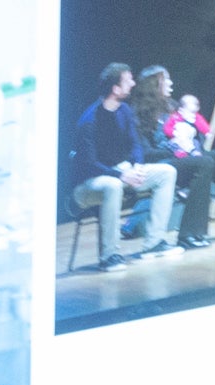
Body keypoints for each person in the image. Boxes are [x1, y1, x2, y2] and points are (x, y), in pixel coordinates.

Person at [71, 62, 178, 270]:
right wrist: (121, 175)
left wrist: (137, 166)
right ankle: (108, 256)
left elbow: (135, 144)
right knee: (113, 185)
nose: (133, 83)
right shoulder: (90, 120)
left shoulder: (125, 111)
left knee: (166, 172)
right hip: (88, 185)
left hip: (121, 173)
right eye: (128, 80)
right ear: (116, 89)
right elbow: (89, 164)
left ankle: (153, 243)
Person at [132, 67, 215, 248]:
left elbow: (193, 129)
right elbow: (145, 152)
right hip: (164, 160)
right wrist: (174, 151)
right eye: (166, 79)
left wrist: (194, 137)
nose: (171, 83)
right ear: (155, 84)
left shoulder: (173, 106)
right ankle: (189, 233)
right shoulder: (140, 113)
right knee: (204, 163)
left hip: (187, 154)